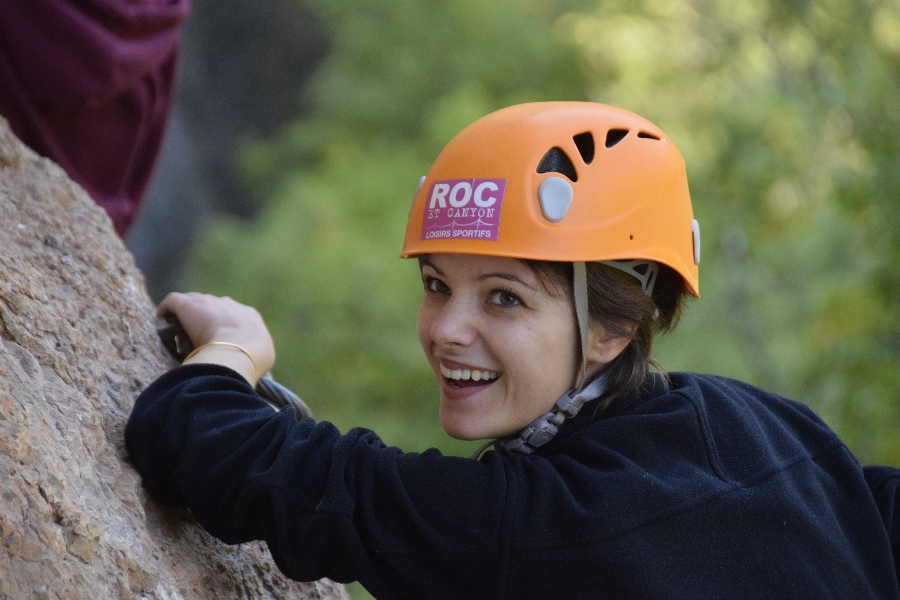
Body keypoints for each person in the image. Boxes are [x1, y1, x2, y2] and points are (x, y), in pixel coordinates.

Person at [125, 102, 900, 599]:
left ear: (612, 327)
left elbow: (192, 437)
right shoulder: (763, 424)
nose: (447, 329)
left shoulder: (537, 531)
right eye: (436, 284)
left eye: (504, 297)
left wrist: (233, 349)